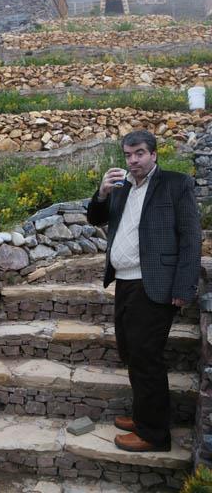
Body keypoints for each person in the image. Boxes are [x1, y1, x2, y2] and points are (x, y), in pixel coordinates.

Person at [87, 130, 201, 452]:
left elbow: (191, 237)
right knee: (131, 353)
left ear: (153, 154)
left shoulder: (176, 184)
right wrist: (101, 193)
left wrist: (184, 286)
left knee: (146, 357)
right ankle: (143, 416)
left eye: (139, 153)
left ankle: (154, 435)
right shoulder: (121, 187)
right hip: (124, 282)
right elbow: (95, 218)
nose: (133, 160)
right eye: (128, 155)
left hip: (155, 284)